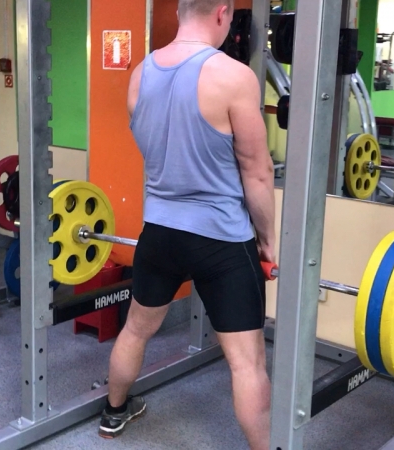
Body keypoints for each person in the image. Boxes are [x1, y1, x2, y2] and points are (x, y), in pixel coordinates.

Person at [98, 1, 276, 449]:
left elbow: (155, 145)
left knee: (136, 329)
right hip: (222, 238)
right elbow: (257, 172)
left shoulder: (140, 73)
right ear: (222, 13)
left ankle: (113, 413)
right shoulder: (235, 77)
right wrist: (269, 241)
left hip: (159, 233)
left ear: (180, 11)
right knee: (247, 362)